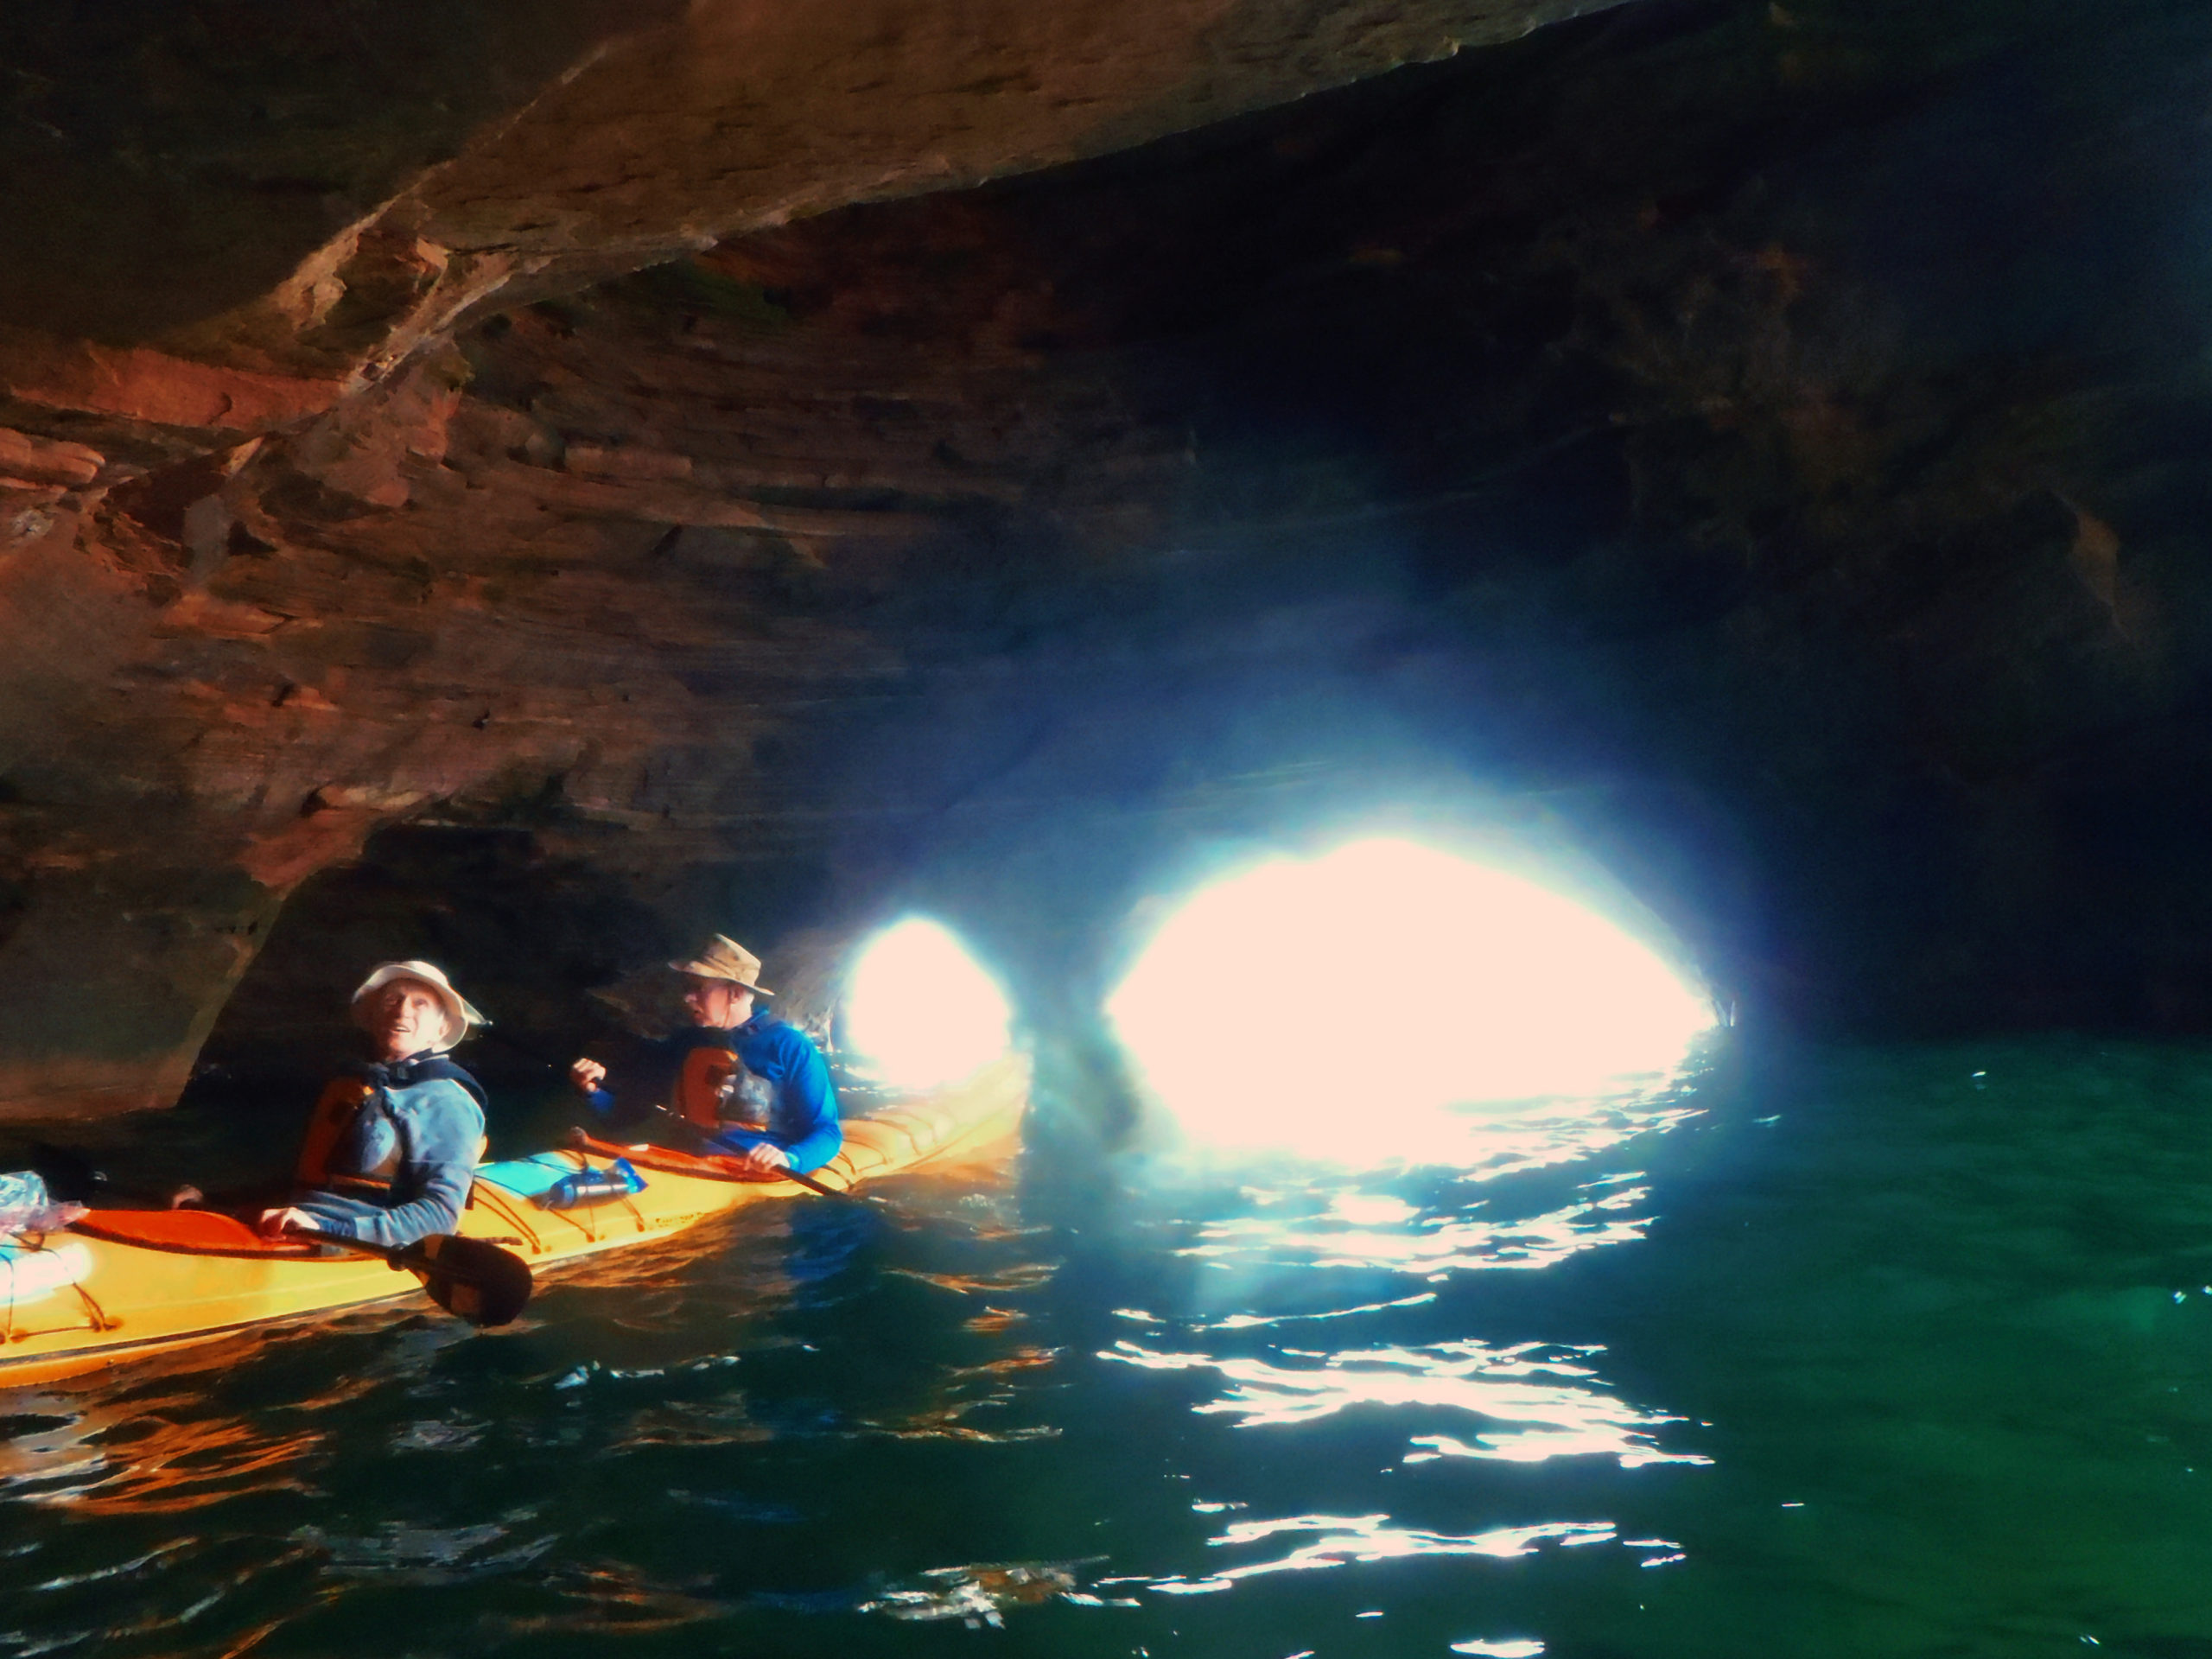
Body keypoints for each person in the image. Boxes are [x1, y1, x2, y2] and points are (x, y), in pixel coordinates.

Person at [257, 961, 490, 1249]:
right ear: (375, 1015)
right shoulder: (356, 1082)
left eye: (420, 1004)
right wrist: (215, 1201)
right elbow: (312, 1182)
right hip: (295, 1222)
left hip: (347, 1239)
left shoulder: (446, 1100)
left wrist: (329, 1229)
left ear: (441, 1028)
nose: (403, 1010)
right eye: (393, 1000)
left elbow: (441, 1216)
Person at [569, 934, 840, 1176]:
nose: (687, 997)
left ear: (735, 992)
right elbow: (628, 1115)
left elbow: (827, 1131)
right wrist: (594, 1090)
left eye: (698, 988)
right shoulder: (687, 1042)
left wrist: (791, 1158)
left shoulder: (789, 1046)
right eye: (687, 987)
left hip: (750, 1171)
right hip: (682, 1157)